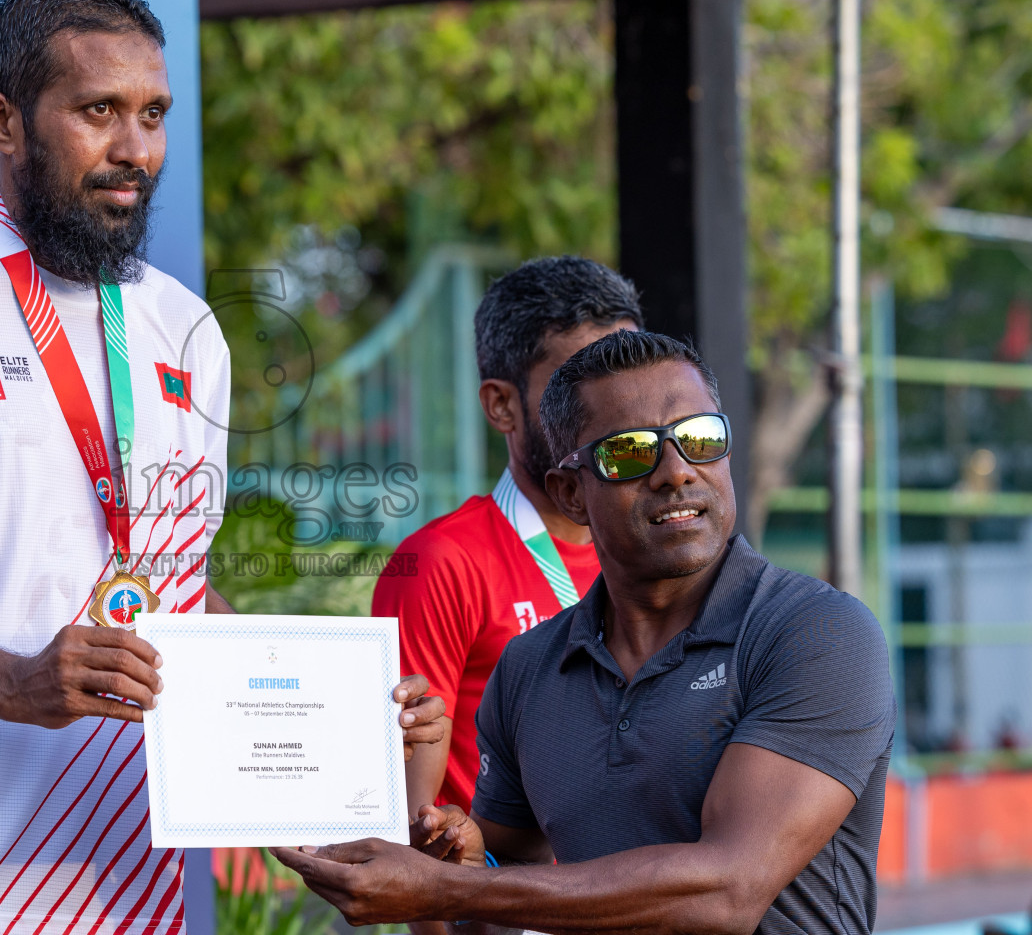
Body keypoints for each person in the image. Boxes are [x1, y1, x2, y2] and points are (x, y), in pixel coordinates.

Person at [0, 0, 444, 935]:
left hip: (127, 888)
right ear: (3, 121)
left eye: (154, 114)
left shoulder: (185, 327)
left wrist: (333, 722)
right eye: (99, 112)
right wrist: (12, 681)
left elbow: (174, 591)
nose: (136, 150)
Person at [278, 331, 896, 935]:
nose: (676, 472)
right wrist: (456, 867)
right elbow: (497, 902)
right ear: (572, 492)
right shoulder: (528, 668)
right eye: (630, 451)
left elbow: (727, 889)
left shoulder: (817, 633)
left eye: (700, 439)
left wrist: (449, 888)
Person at [372, 258, 642, 816]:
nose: (616, 412)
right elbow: (407, 823)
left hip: (640, 892)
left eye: (630, 378)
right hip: (500, 897)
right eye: (576, 384)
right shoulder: (443, 562)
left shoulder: (661, 548)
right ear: (502, 405)